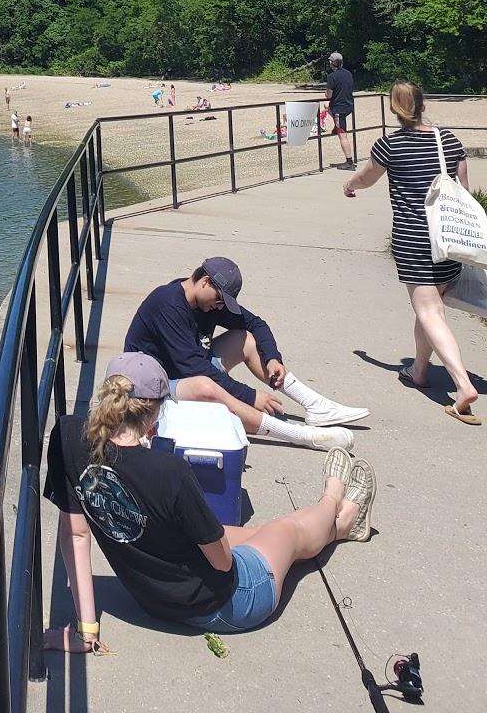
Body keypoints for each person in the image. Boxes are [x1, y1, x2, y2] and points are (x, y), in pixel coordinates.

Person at [42, 353, 376, 652]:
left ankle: (338, 525)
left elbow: (75, 534)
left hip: (153, 600)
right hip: (228, 603)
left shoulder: (69, 438)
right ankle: (337, 507)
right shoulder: (170, 472)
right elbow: (221, 563)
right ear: (155, 413)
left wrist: (85, 632)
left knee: (256, 534)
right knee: (287, 530)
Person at [125, 257, 368, 451]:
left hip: (184, 370)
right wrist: (250, 396)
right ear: (206, 281)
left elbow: (256, 323)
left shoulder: (207, 302)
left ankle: (315, 406)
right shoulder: (168, 303)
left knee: (246, 340)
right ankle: (303, 436)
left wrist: (273, 358)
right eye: (220, 300)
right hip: (149, 387)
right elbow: (194, 368)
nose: (219, 308)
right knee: (206, 387)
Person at [342, 81, 479, 424]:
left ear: (393, 108)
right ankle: (419, 370)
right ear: (422, 104)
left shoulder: (391, 144)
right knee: (427, 311)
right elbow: (463, 188)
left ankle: (462, 385)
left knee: (430, 312)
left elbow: (367, 178)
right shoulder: (447, 140)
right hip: (448, 239)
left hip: (414, 240)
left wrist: (349, 185)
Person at [325, 51, 356, 168]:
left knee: (342, 135)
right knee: (328, 108)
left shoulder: (332, 76)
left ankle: (349, 162)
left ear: (332, 63)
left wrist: (326, 93)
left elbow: (328, 95)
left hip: (339, 108)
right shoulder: (348, 74)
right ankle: (336, 127)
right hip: (349, 106)